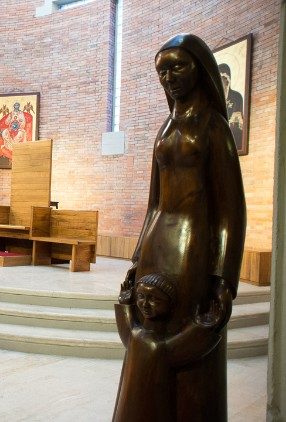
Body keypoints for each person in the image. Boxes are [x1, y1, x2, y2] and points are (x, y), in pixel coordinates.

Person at [119, 34, 246, 421]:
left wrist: (223, 278)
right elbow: (153, 203)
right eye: (162, 71)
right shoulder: (163, 130)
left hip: (193, 249)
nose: (169, 77)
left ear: (200, 68)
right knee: (146, 331)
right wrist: (137, 257)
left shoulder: (214, 129)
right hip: (158, 244)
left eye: (178, 67)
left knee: (190, 339)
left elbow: (230, 210)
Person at [113, 274, 223, 422]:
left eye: (154, 299)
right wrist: (125, 302)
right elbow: (126, 327)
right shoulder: (135, 335)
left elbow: (187, 346)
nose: (145, 304)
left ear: (170, 303)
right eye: (140, 296)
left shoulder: (162, 347)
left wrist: (205, 327)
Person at [218, 63, 244, 150]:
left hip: (232, 136)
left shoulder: (237, 96)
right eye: (221, 78)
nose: (224, 81)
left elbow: (237, 120)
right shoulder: (214, 99)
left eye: (226, 78)